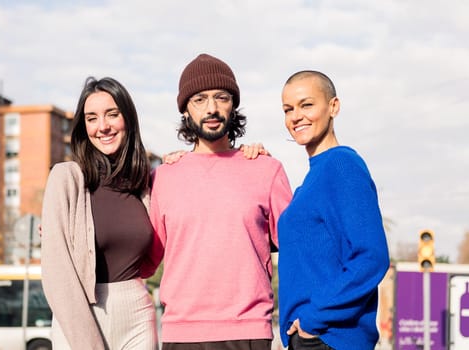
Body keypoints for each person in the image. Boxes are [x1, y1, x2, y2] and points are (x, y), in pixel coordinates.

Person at [141, 53, 293, 350]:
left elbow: (299, 248)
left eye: (221, 97)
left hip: (249, 331)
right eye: (199, 99)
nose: (211, 108)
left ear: (233, 105)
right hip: (181, 334)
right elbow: (145, 259)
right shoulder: (162, 177)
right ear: (185, 110)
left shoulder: (266, 169)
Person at [41, 77, 158, 350]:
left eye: (112, 115)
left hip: (137, 316)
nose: (102, 126)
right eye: (91, 118)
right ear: (84, 127)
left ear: (127, 119)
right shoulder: (65, 178)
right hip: (80, 318)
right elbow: (57, 274)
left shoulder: (144, 183)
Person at [277, 70, 390, 350]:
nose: (296, 116)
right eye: (288, 109)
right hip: (312, 337)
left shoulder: (341, 165)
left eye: (307, 105)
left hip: (331, 338)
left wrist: (313, 319)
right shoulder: (310, 182)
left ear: (333, 107)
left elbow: (371, 257)